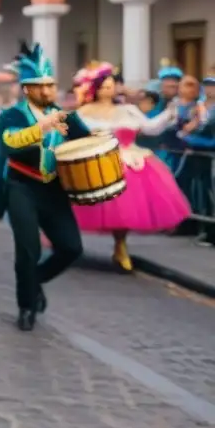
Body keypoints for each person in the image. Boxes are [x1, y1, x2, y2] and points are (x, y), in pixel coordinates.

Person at [0, 42, 92, 331]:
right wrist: (42, 127)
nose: (47, 91)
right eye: (40, 86)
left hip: (54, 190)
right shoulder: (12, 116)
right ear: (26, 89)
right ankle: (27, 306)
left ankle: (35, 282)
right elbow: (9, 143)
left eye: (50, 85)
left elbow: (87, 142)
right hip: (21, 187)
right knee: (28, 248)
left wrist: (103, 143)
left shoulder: (67, 116)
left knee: (71, 248)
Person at [71, 61, 187, 271]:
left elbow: (150, 128)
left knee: (125, 207)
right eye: (103, 85)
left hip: (131, 160)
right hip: (98, 159)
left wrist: (170, 111)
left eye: (111, 85)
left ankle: (121, 246)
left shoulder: (129, 110)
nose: (108, 89)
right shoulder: (84, 112)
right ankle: (68, 242)